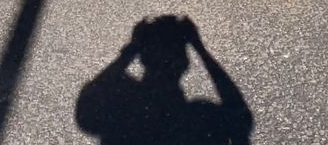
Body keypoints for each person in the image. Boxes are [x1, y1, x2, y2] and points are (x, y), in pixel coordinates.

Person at [76, 15, 253, 144]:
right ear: (184, 65)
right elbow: (237, 112)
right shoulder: (199, 118)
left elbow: (96, 89)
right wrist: (200, 48)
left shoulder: (120, 120)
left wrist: (132, 48)